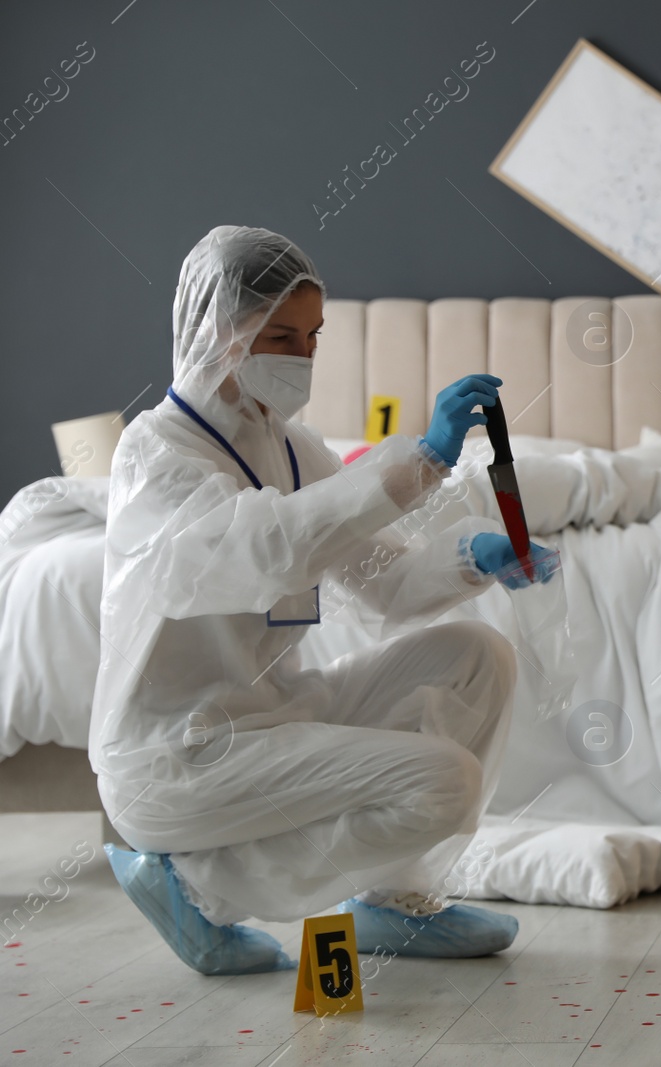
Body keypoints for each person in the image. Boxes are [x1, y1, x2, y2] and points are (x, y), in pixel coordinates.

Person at [92, 226, 548, 975]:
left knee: (477, 655)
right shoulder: (154, 453)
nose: (302, 355)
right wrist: (420, 460)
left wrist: (477, 557)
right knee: (444, 781)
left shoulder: (294, 447)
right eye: (280, 335)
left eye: (313, 336)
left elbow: (383, 583)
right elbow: (264, 547)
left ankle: (391, 901)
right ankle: (192, 885)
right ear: (219, 328)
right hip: (176, 754)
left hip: (273, 716)